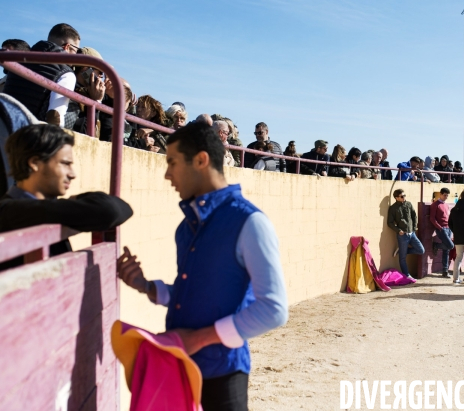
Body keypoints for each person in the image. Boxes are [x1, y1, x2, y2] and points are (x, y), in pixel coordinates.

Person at [116, 122, 288, 410]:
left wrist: (196, 339)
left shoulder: (250, 222)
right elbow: (196, 293)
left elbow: (274, 309)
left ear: (201, 160)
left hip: (223, 374)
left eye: (172, 162)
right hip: (180, 365)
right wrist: (146, 287)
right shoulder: (186, 227)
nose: (167, 174)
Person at [0, 125, 133, 269]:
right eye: (65, 164)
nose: (72, 174)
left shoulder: (26, 208)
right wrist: (73, 203)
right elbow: (111, 210)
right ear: (34, 163)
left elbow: (122, 209)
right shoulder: (11, 211)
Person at [3, 23, 80, 125]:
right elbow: (55, 117)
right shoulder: (66, 74)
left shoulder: (18, 64)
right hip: (29, 135)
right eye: (76, 50)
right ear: (67, 47)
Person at [387, 188, 424, 279]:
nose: (404, 197)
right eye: (402, 196)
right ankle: (406, 275)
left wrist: (414, 228)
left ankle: (401, 251)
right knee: (402, 258)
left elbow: (414, 216)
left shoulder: (409, 204)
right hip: (402, 235)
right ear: (396, 198)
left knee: (421, 250)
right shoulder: (393, 208)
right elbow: (390, 222)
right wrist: (398, 230)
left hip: (412, 233)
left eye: (404, 195)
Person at [430, 187, 455, 278]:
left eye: (447, 196)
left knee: (447, 250)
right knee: (451, 245)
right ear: (440, 194)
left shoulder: (446, 205)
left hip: (448, 228)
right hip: (442, 229)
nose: (446, 197)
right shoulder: (435, 204)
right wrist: (439, 228)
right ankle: (436, 245)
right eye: (444, 195)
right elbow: (432, 218)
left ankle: (445, 271)